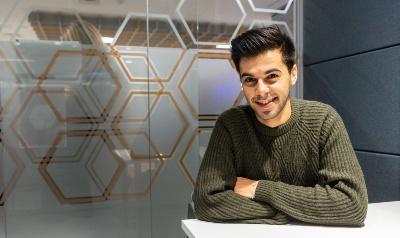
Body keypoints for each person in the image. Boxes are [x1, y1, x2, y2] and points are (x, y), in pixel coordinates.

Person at [193, 25, 368, 226]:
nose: (261, 91)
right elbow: (206, 201)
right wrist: (290, 210)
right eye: (250, 80)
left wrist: (260, 189)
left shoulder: (323, 120)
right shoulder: (231, 124)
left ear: (292, 74)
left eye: (272, 76)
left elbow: (351, 204)